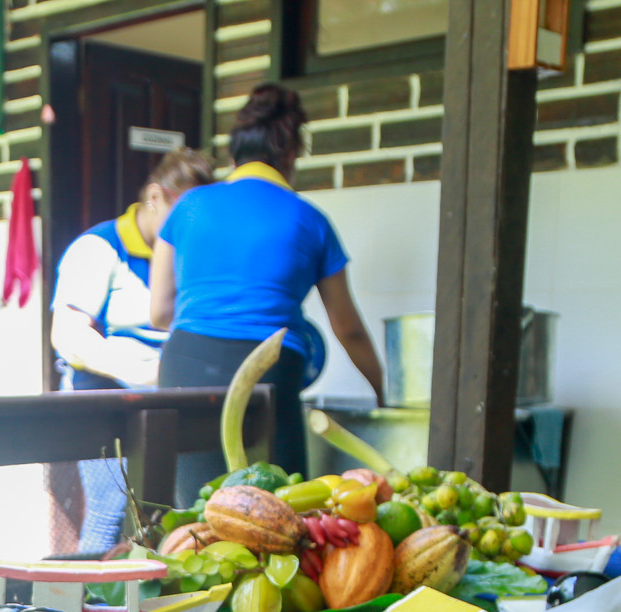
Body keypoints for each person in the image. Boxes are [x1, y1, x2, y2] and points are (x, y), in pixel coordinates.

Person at [148, 84, 386, 505]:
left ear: (234, 153)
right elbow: (347, 330)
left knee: (190, 519)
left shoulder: (188, 206)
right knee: (276, 516)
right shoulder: (311, 220)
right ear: (291, 156)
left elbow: (159, 311)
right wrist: (382, 390)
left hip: (185, 370)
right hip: (269, 374)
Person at [51, 148, 215, 550]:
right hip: (105, 403)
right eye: (183, 214)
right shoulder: (99, 247)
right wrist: (143, 372)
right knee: (111, 515)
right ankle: (81, 606)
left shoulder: (187, 253)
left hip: (170, 405)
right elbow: (68, 336)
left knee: (168, 521)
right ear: (155, 197)